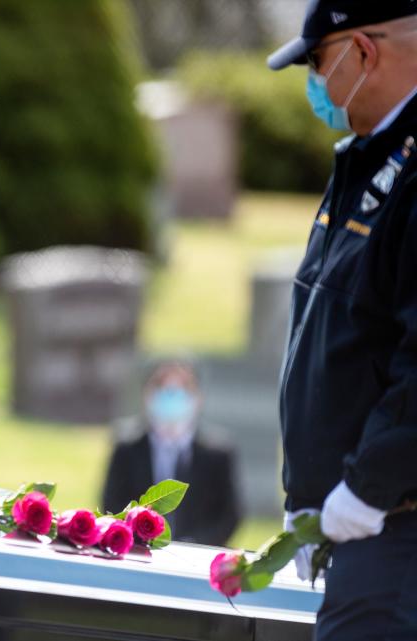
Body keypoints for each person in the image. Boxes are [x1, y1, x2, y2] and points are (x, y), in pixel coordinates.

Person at [268, 1, 417, 637]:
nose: (315, 83)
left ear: (364, 52)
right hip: (359, 527)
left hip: (396, 530)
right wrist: (309, 493)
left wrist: (366, 488)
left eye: (318, 62)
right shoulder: (365, 157)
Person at [101, 361, 240, 546]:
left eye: (182, 389)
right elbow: (112, 503)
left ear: (198, 398)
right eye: (162, 388)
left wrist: (194, 544)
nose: (172, 397)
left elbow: (229, 515)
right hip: (139, 551)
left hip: (197, 556)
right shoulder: (127, 447)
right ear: (147, 396)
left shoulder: (218, 452)